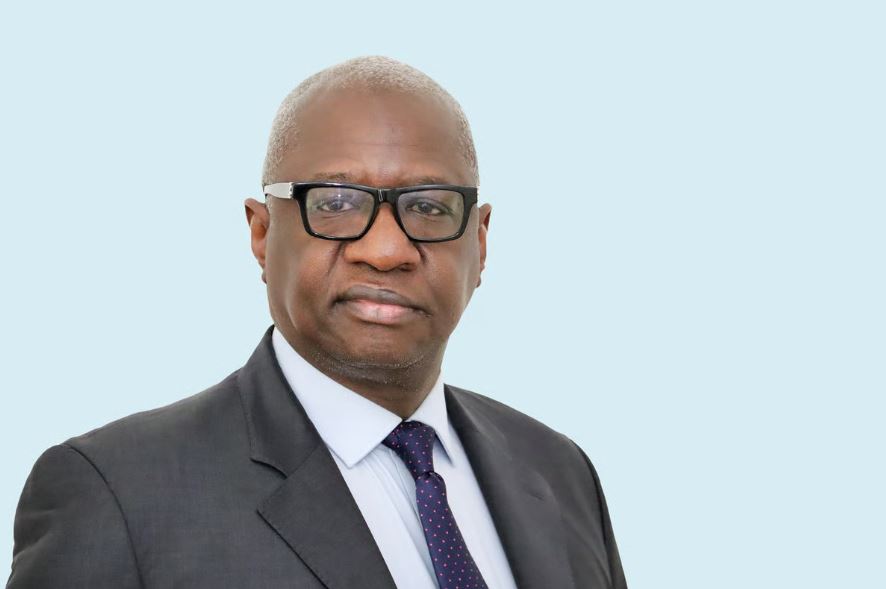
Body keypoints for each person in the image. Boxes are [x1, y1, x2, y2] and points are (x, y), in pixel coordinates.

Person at [6, 56, 628, 589]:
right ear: (261, 233)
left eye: (429, 208)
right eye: (334, 203)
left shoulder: (559, 471)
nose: (386, 250)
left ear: (481, 243)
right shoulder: (118, 494)